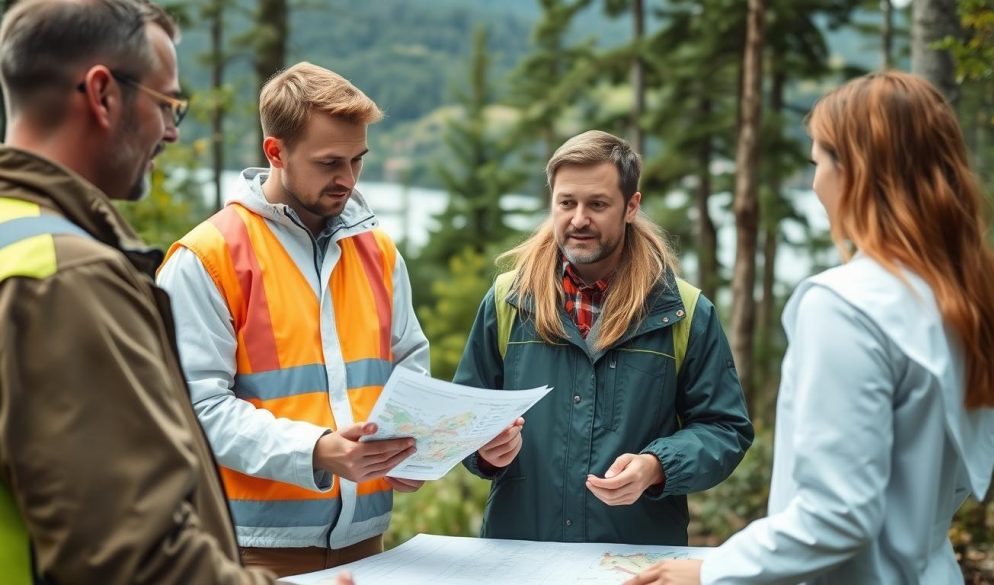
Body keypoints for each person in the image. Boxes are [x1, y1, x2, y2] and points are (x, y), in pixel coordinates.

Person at [625, 71, 994, 585]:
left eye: (818, 162)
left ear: (854, 172)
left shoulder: (843, 307)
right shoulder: (980, 301)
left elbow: (835, 517)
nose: (816, 184)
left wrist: (709, 572)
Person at [0, 0, 287, 582]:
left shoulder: (14, 239)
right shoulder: (66, 281)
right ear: (104, 94)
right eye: (167, 104)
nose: (174, 131)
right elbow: (134, 558)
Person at [156, 62, 430, 577]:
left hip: (368, 545)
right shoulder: (207, 258)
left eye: (357, 160)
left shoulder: (379, 252)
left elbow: (409, 369)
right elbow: (194, 409)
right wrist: (317, 451)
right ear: (275, 152)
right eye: (330, 162)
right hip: (247, 551)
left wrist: (415, 453)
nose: (347, 179)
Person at [455, 130, 754, 545]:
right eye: (566, 203)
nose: (579, 219)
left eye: (597, 204)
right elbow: (462, 417)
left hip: (635, 563)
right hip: (519, 557)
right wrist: (483, 451)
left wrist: (657, 465)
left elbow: (725, 429)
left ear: (631, 207)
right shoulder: (508, 301)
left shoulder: (684, 312)